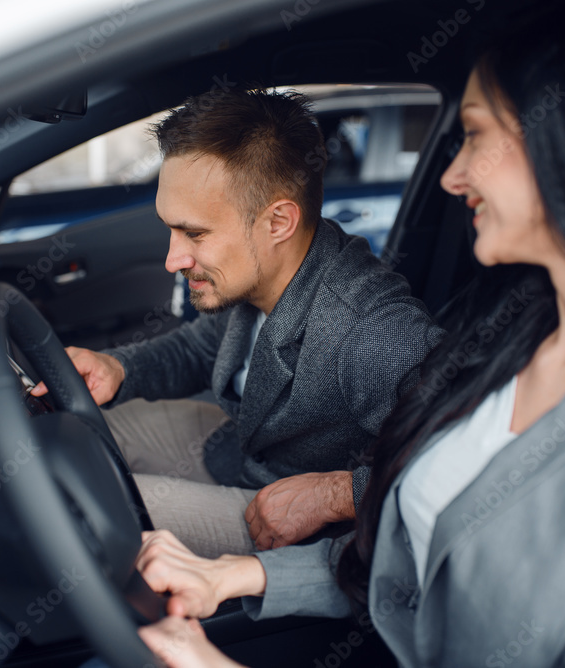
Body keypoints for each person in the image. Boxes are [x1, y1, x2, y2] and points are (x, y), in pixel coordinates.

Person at [133, 2, 565, 666]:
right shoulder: (512, 339)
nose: (452, 176)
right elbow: (414, 560)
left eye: (474, 135)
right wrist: (242, 577)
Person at [54, 88, 445, 558]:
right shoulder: (263, 272)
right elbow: (201, 349)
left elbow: (453, 458)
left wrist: (335, 496)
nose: (173, 258)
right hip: (238, 448)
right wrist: (119, 367)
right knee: (75, 437)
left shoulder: (373, 330)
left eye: (195, 233)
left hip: (294, 526)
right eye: (171, 229)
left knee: (78, 515)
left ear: (278, 221)